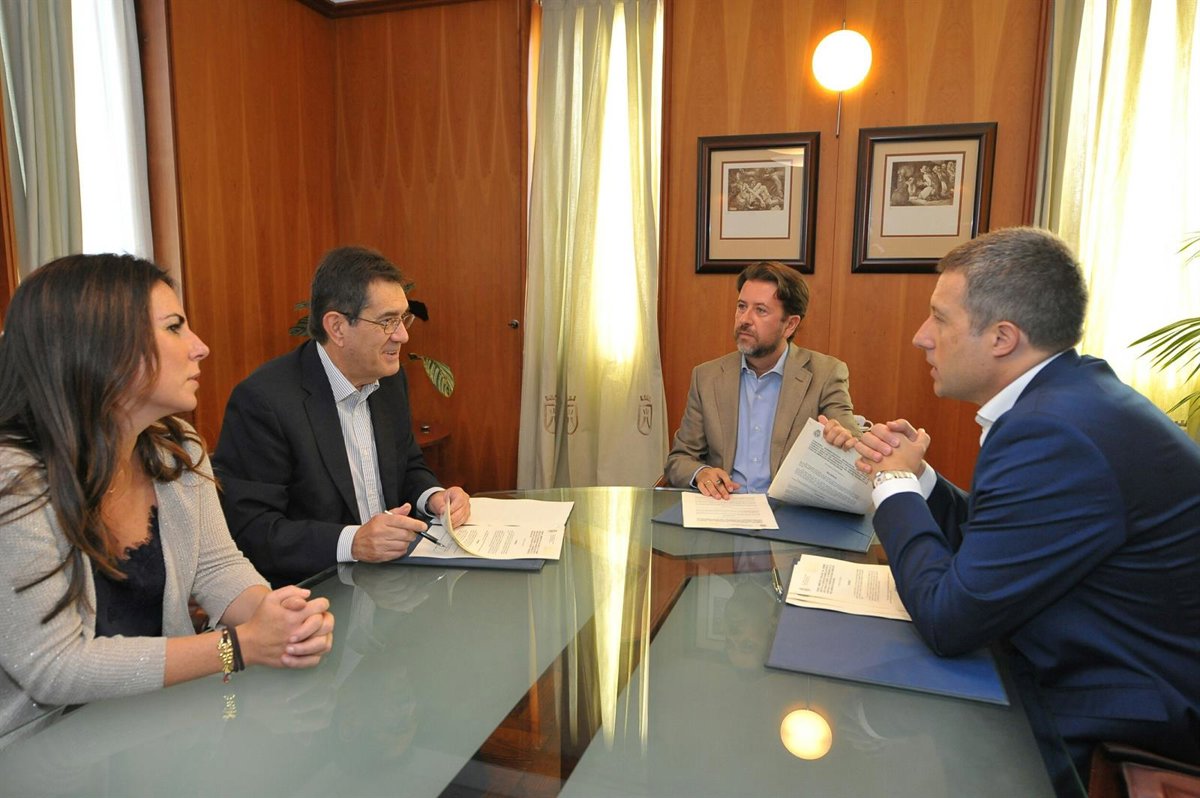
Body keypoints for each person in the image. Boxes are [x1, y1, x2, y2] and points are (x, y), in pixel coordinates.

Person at [824, 227, 1200, 791]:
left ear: (1002, 337)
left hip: (1121, 700)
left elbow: (947, 621)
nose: (921, 337)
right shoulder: (1072, 399)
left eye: (939, 318)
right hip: (1088, 654)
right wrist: (920, 479)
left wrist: (894, 484)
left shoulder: (1053, 430)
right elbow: (1001, 537)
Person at [0, 254, 335, 738]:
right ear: (100, 347)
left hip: (161, 722)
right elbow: (53, 667)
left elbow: (216, 566)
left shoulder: (176, 447)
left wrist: (277, 618)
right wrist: (238, 646)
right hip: (42, 749)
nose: (200, 347)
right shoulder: (14, 482)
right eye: (174, 327)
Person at [213, 246, 471, 586]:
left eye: (403, 318)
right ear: (337, 327)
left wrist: (433, 497)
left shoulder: (389, 381)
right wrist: (353, 542)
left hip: (390, 584)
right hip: (315, 591)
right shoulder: (264, 401)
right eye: (387, 321)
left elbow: (407, 464)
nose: (403, 335)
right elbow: (252, 529)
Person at [664, 260, 859, 497]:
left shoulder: (825, 373)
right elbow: (680, 459)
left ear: (790, 325)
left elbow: (852, 443)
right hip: (725, 507)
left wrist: (843, 438)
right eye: (741, 307)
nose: (745, 319)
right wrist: (701, 473)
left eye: (760, 310)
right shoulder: (707, 377)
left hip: (787, 511)